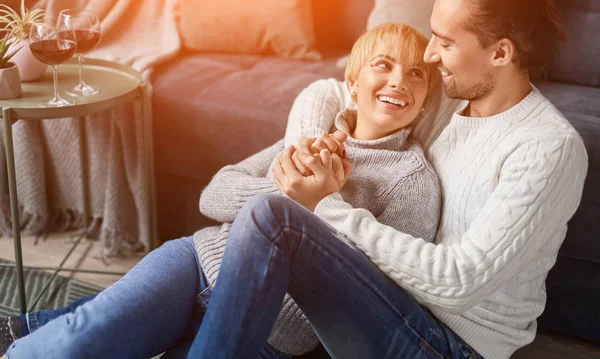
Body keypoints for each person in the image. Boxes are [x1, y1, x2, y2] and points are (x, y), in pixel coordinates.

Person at [1, 22, 442, 359]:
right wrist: (286, 182)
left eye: (416, 73)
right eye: (383, 65)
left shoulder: (411, 180)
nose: (400, 80)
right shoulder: (310, 136)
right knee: (85, 336)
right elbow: (212, 195)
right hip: (197, 264)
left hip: (269, 330)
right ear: (352, 83)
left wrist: (322, 200)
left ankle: (22, 330)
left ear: (425, 99)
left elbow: (370, 294)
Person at [182, 0, 589, 358]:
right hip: (392, 302)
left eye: (445, 43)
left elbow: (459, 282)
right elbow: (332, 89)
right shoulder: (450, 103)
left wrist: (325, 204)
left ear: (500, 53)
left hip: (451, 345)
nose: (430, 55)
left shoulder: (547, 148)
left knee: (274, 217)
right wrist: (307, 153)